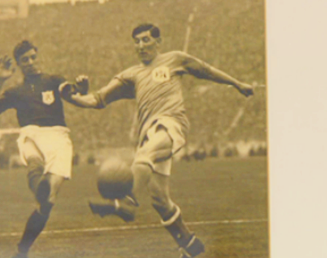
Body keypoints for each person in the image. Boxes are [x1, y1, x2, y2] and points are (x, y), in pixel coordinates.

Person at [69, 23, 254, 258]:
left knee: (144, 157)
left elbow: (205, 69)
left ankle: (127, 203)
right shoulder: (130, 74)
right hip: (148, 133)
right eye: (136, 41)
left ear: (158, 42)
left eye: (146, 40)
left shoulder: (174, 59)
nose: (141, 45)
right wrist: (73, 96)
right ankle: (191, 245)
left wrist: (237, 83)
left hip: (171, 123)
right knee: (159, 199)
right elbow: (97, 99)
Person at [0, 40, 85, 258]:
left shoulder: (54, 80)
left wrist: (82, 88)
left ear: (38, 57)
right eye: (25, 60)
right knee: (33, 155)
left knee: (47, 201)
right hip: (31, 133)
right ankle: (38, 178)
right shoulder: (16, 91)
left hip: (58, 136)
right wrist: (0, 81)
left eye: (33, 57)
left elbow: (72, 94)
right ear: (20, 65)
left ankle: (22, 249)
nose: (30, 62)